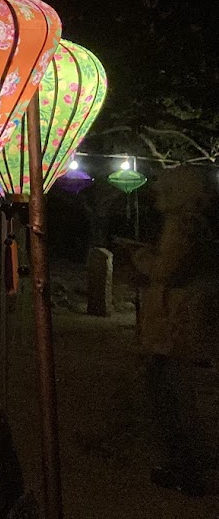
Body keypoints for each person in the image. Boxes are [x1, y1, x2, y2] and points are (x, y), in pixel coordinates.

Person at [131, 165, 219, 496]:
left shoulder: (182, 226)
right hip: (178, 322)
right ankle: (184, 466)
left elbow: (166, 269)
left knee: (173, 398)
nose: (156, 192)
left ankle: (186, 470)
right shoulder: (192, 225)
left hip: (175, 324)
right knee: (173, 395)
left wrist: (140, 257)